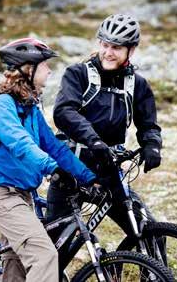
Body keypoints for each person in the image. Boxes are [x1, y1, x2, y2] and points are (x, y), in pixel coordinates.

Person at [0, 37, 96, 282]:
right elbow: (21, 144)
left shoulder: (30, 108)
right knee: (44, 256)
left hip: (22, 194)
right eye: (45, 65)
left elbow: (55, 148)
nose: (50, 70)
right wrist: (52, 168)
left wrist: (89, 178)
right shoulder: (2, 107)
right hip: (2, 194)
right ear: (28, 69)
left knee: (17, 266)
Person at [46, 14, 162, 236]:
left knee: (147, 231)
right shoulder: (78, 74)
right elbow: (63, 112)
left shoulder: (136, 84)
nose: (108, 52)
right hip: (71, 168)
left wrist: (152, 145)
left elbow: (148, 125)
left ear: (131, 50)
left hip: (109, 170)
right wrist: (94, 140)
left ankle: (149, 270)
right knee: (54, 248)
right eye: (105, 45)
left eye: (117, 48)